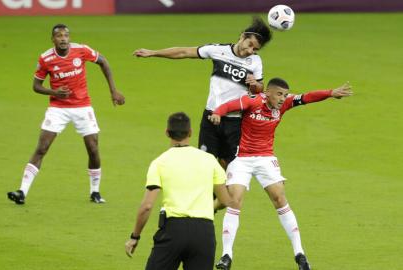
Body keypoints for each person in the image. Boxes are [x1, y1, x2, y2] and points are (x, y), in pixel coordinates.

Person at [209, 78, 353, 270]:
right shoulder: (252, 101)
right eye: (279, 94)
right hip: (242, 157)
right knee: (235, 200)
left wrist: (330, 93)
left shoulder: (284, 104)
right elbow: (229, 105)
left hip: (266, 158)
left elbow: (307, 97)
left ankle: (299, 254)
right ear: (268, 93)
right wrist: (217, 113)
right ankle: (226, 255)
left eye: (285, 95)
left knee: (279, 197)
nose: (282, 98)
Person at [7, 24, 125, 205]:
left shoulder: (81, 50)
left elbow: (104, 62)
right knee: (42, 148)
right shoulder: (46, 58)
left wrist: (113, 91)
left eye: (66, 35)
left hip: (82, 106)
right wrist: (53, 92)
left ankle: (95, 192)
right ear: (53, 39)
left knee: (93, 148)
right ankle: (22, 191)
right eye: (59, 36)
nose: (63, 38)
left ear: (69, 38)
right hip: (58, 108)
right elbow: (36, 86)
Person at [133, 17, 272, 168]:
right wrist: (153, 53)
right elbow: (184, 52)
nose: (250, 51)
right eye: (250, 44)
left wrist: (255, 85)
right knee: (206, 164)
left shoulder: (255, 61)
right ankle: (210, 192)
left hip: (235, 121)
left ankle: (222, 192)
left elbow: (259, 89)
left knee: (228, 165)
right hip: (211, 117)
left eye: (255, 49)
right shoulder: (218, 50)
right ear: (243, 36)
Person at [125, 112, 238, 270]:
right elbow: (225, 200)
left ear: (167, 133)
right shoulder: (209, 160)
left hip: (173, 231)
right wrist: (208, 206)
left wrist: (134, 237)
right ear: (190, 132)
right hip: (204, 233)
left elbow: (147, 206)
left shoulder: (159, 162)